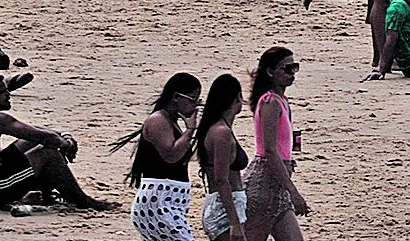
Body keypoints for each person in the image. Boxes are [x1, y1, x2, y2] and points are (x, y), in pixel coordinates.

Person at [0, 71, 117, 212]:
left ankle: (50, 193)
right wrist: (66, 143)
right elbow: (46, 138)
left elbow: (33, 132)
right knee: (47, 154)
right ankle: (81, 200)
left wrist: (65, 135)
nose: (8, 96)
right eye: (2, 93)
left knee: (29, 143)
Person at [122, 72, 201, 241]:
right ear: (176, 97)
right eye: (192, 99)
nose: (195, 105)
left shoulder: (170, 121)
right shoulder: (158, 120)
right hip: (159, 202)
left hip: (169, 201)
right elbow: (171, 155)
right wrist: (190, 130)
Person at [246, 47, 308, 240]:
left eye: (294, 68)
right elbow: (270, 151)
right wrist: (293, 192)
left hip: (278, 182)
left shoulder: (281, 100)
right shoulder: (270, 102)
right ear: (270, 72)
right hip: (265, 182)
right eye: (286, 69)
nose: (292, 74)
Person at [195, 74, 248, 241]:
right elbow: (221, 180)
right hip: (224, 209)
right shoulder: (221, 133)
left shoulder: (219, 128)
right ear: (237, 98)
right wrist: (235, 223)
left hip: (225, 206)